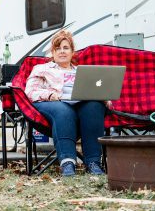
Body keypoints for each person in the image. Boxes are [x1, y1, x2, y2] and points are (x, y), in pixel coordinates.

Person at [25, 30, 107, 176]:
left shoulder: (83, 72)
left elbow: (96, 92)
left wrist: (103, 98)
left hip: (80, 104)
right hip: (52, 103)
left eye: (65, 48)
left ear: (72, 51)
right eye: (58, 48)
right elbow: (30, 92)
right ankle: (68, 162)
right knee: (63, 110)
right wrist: (50, 95)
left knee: (94, 106)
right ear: (53, 52)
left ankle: (93, 162)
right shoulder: (42, 69)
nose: (62, 51)